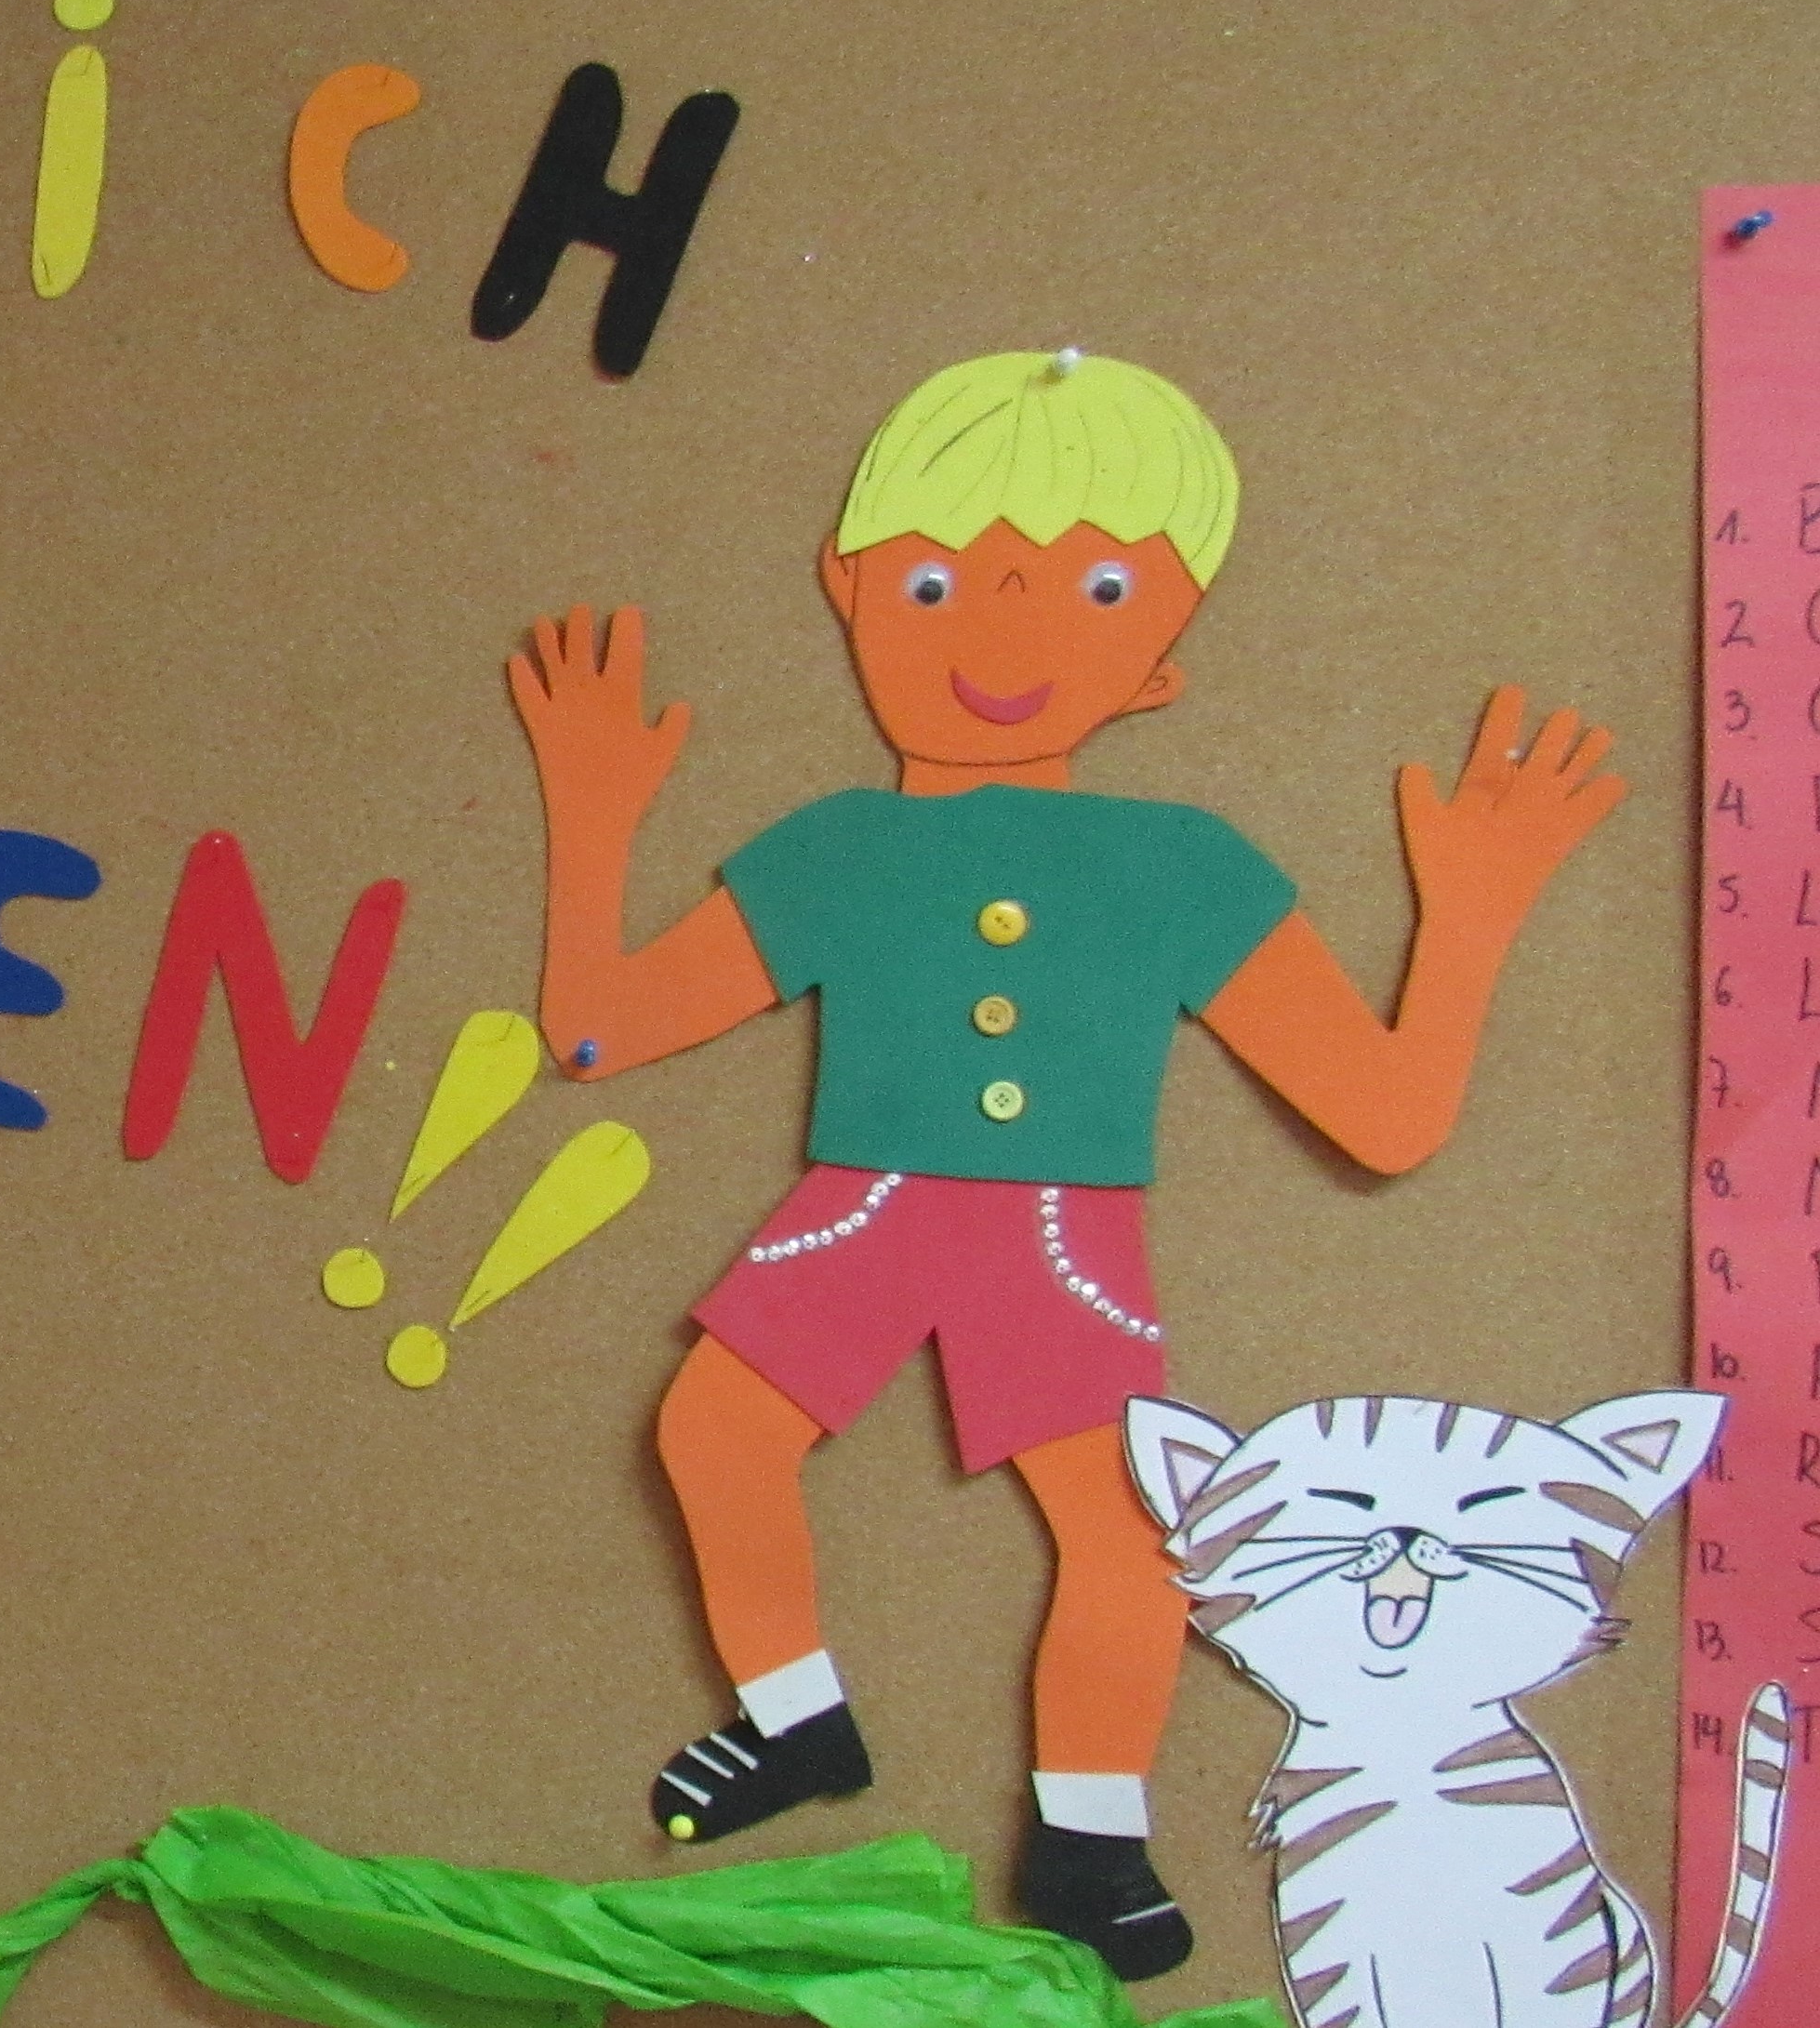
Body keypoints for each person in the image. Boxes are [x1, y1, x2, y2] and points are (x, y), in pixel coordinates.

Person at [505, 350, 1620, 1980]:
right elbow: (600, 1030)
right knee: (714, 1429)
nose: (1003, 643)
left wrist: (1471, 915)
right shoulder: (836, 849)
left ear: (1160, 663)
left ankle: (1091, 1835)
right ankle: (797, 1718)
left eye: (1098, 592)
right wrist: (592, 809)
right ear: (850, 587)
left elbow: (1385, 1114)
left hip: (1052, 1234)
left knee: (1122, 1530)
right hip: (869, 1207)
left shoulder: (1180, 867)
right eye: (938, 584)